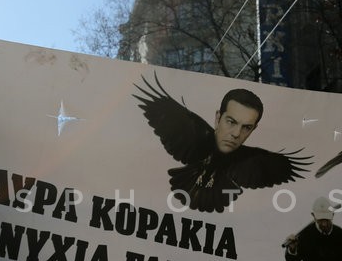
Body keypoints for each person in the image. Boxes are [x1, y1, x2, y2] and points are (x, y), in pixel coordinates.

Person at [133, 75, 311, 212]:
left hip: (217, 189)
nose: (235, 134)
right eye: (231, 122)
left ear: (253, 129)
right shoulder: (195, 128)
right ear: (218, 118)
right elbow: (167, 115)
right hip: (191, 177)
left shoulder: (254, 157)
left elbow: (277, 169)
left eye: (246, 127)